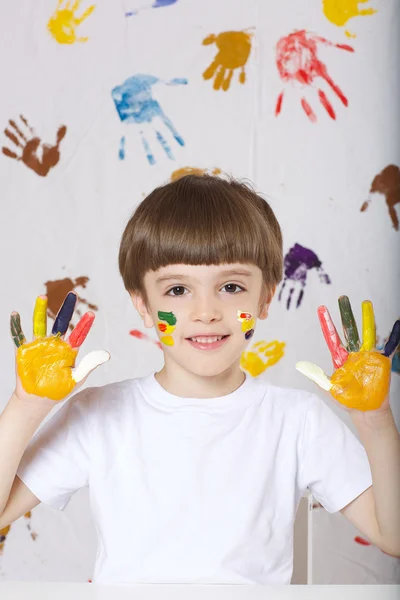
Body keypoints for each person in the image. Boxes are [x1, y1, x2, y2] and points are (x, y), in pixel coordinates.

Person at [0, 174, 398, 585]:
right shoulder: (98, 414)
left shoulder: (297, 419)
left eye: (230, 286)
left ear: (265, 297)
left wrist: (376, 420)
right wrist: (26, 404)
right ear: (143, 303)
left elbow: (394, 537)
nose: (205, 311)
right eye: (177, 290)